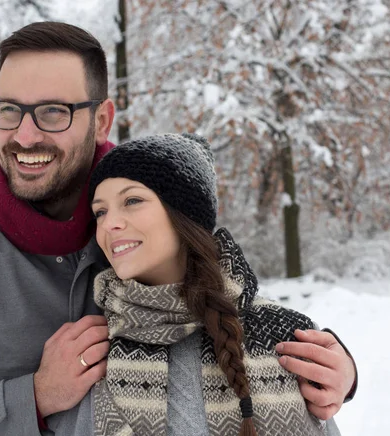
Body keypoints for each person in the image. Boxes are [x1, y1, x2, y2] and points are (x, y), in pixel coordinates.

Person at [0, 22, 356, 436]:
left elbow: (226, 293)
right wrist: (31, 397)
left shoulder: (152, 209)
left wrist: (331, 365)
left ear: (101, 120)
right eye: (9, 110)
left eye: (53, 111)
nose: (24, 135)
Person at [87, 133, 346, 436]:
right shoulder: (92, 346)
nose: (108, 224)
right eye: (100, 211)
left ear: (185, 213)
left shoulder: (283, 334)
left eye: (132, 200)